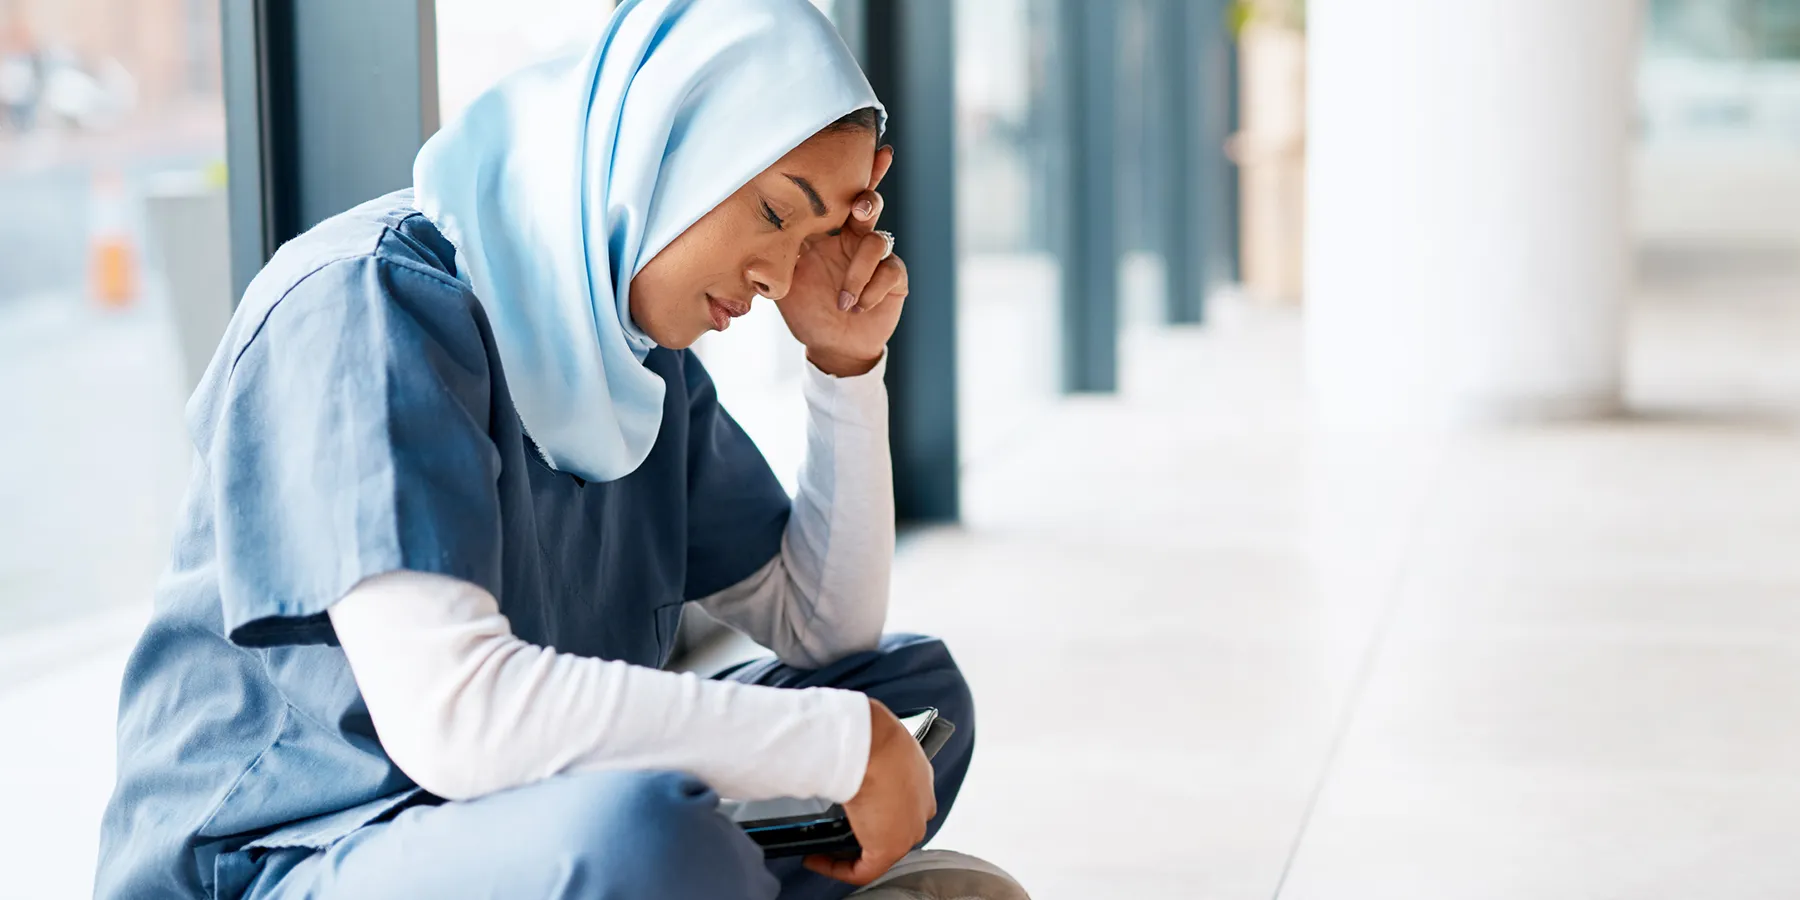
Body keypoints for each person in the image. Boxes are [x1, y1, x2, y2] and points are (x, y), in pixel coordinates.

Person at [93, 1, 994, 897]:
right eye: (772, 214)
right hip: (296, 854)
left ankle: (702, 876)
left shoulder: (637, 356)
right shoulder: (367, 303)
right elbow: (454, 715)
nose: (780, 276)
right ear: (666, 142)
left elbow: (822, 629)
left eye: (810, 240)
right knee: (655, 834)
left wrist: (845, 366)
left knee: (911, 694)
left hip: (514, 821)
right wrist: (834, 748)